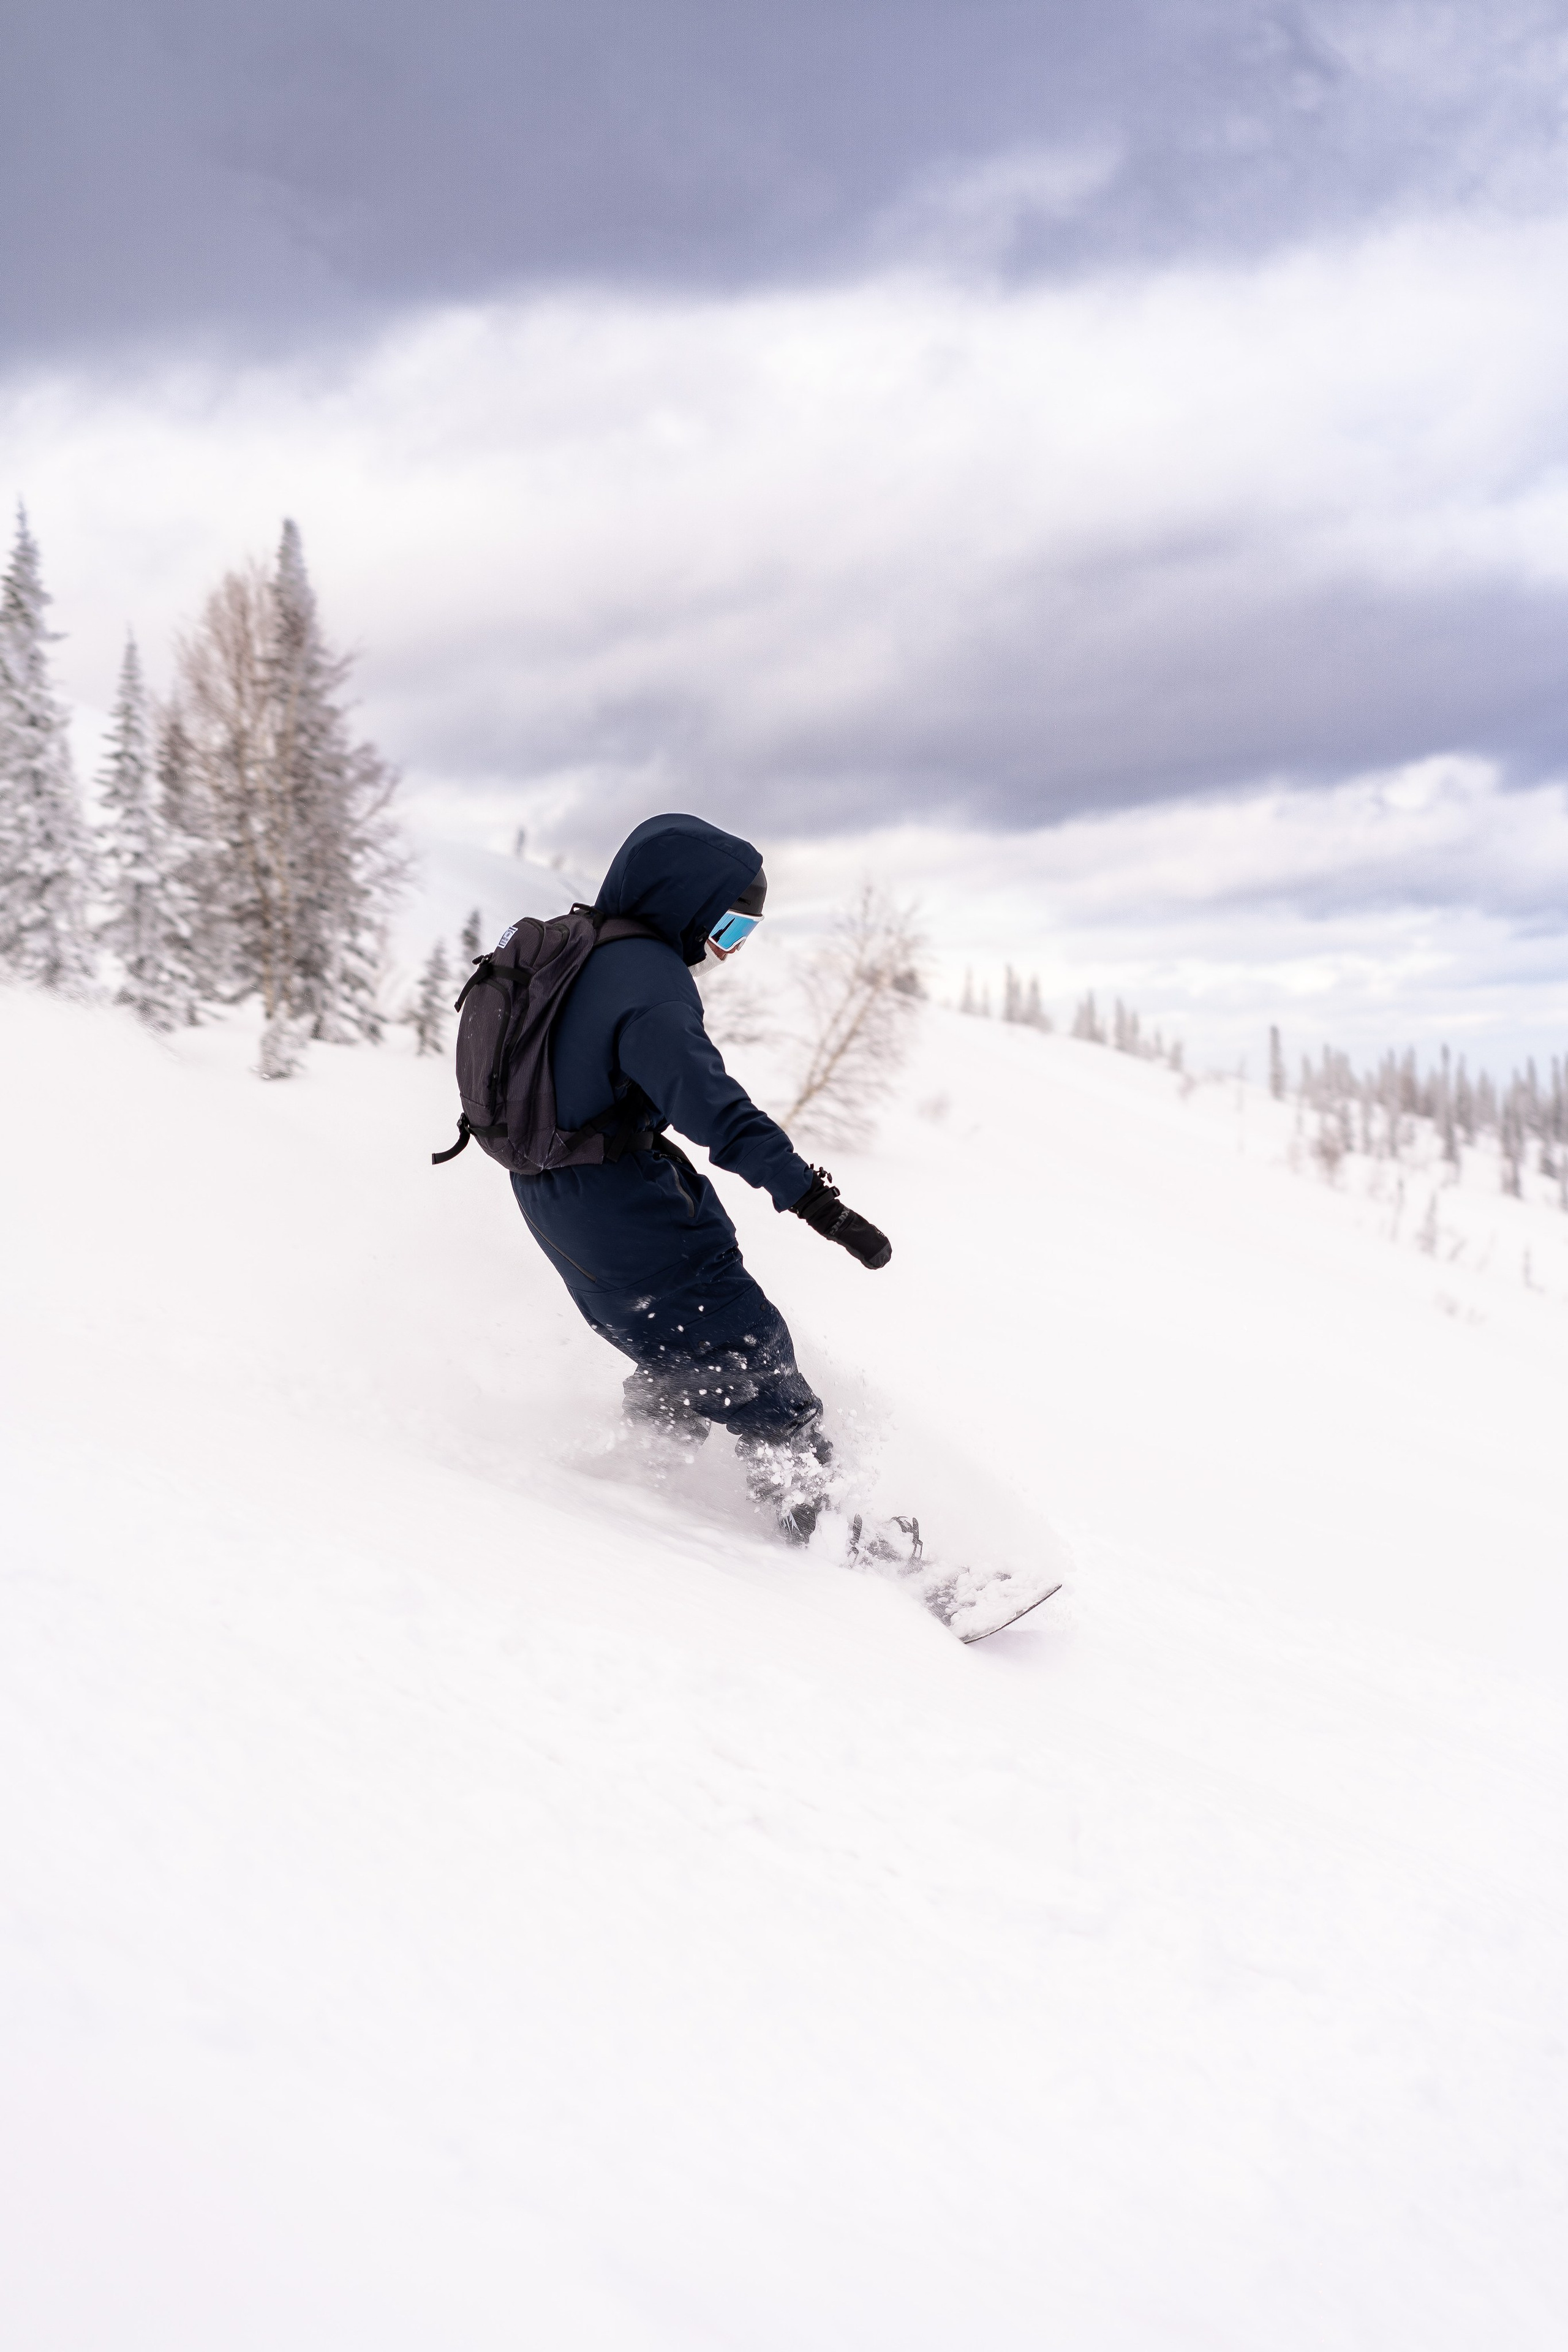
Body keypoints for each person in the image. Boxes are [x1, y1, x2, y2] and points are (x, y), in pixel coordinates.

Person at [512, 812, 891, 1540]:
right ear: (685, 904)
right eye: (730, 930)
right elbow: (713, 1108)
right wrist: (813, 1200)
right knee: (753, 1358)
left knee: (676, 1353)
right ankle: (840, 1541)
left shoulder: (574, 948)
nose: (728, 953)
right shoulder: (646, 982)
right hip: (627, 1211)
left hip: (555, 1208)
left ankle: (638, 1487)